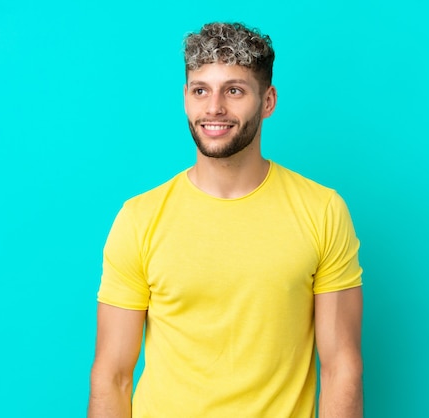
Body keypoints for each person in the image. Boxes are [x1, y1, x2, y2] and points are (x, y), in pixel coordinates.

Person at [88, 22, 363, 418]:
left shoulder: (322, 210)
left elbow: (342, 368)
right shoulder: (139, 219)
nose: (214, 107)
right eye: (201, 90)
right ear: (185, 97)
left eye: (233, 90)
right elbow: (111, 376)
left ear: (267, 101)